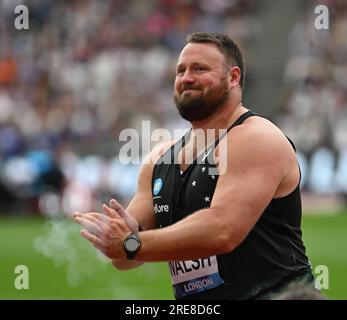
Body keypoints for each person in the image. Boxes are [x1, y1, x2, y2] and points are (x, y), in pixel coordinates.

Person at [74, 32, 314, 300]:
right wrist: (118, 240)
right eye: (181, 70)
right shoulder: (160, 159)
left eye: (200, 69)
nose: (186, 78)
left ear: (233, 77)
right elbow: (125, 258)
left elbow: (222, 230)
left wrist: (131, 243)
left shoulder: (256, 138)